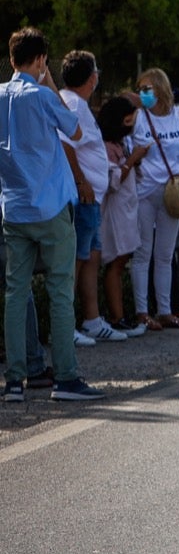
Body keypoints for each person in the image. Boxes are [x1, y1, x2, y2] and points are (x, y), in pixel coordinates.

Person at [0, 27, 105, 401]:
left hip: (13, 208)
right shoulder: (43, 97)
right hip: (50, 206)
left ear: (12, 59)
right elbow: (75, 132)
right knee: (61, 292)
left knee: (15, 293)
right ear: (42, 59)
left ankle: (14, 381)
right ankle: (66, 379)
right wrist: (50, 85)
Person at [57, 51, 125, 346]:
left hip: (92, 198)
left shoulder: (78, 104)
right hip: (81, 196)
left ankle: (92, 320)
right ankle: (66, 325)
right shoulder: (71, 103)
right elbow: (65, 143)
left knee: (90, 257)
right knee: (77, 259)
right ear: (91, 78)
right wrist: (82, 181)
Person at [128, 67, 179, 331]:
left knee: (165, 255)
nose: (143, 93)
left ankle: (165, 311)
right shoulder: (137, 117)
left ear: (161, 89)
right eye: (141, 89)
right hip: (145, 192)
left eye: (148, 89)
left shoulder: (177, 115)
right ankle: (141, 312)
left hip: (173, 194)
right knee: (142, 253)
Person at [96, 93, 147, 336]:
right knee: (115, 263)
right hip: (114, 213)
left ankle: (120, 315)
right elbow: (112, 181)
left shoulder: (121, 143)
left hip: (127, 210)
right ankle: (117, 316)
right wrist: (132, 160)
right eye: (128, 120)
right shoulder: (105, 147)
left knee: (122, 260)